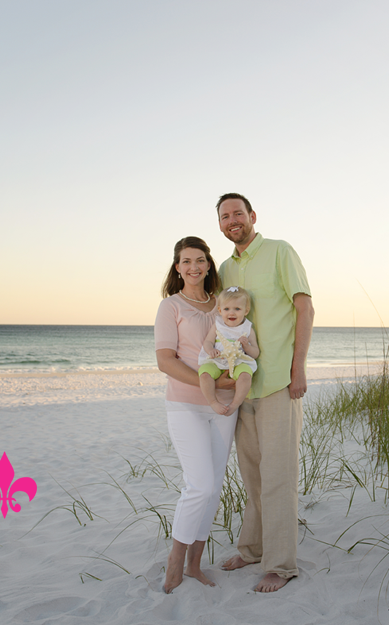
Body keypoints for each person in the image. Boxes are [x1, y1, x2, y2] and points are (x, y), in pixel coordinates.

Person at [215, 193, 314, 593]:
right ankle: (252, 548)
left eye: (238, 213)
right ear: (220, 225)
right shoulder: (224, 267)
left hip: (277, 383)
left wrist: (298, 368)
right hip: (243, 387)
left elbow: (304, 308)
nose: (232, 220)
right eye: (225, 216)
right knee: (252, 476)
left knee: (278, 477)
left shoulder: (279, 251)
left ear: (252, 216)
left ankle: (280, 565)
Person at [154, 236, 238, 594]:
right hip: (186, 404)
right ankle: (174, 562)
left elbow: (240, 343)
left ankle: (194, 565)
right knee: (198, 485)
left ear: (208, 265)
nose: (193, 267)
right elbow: (165, 360)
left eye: (200, 260)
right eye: (186, 261)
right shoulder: (169, 307)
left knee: (213, 488)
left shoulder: (223, 304)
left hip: (225, 406)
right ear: (177, 267)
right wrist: (208, 385)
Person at [198, 286, 260, 416]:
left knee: (245, 376)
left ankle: (234, 404)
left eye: (237, 309)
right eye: (226, 309)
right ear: (220, 310)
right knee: (204, 375)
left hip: (239, 362)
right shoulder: (218, 326)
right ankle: (213, 402)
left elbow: (255, 353)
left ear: (246, 310)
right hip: (217, 361)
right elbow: (208, 342)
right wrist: (211, 350)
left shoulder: (248, 329)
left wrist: (247, 346)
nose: (231, 313)